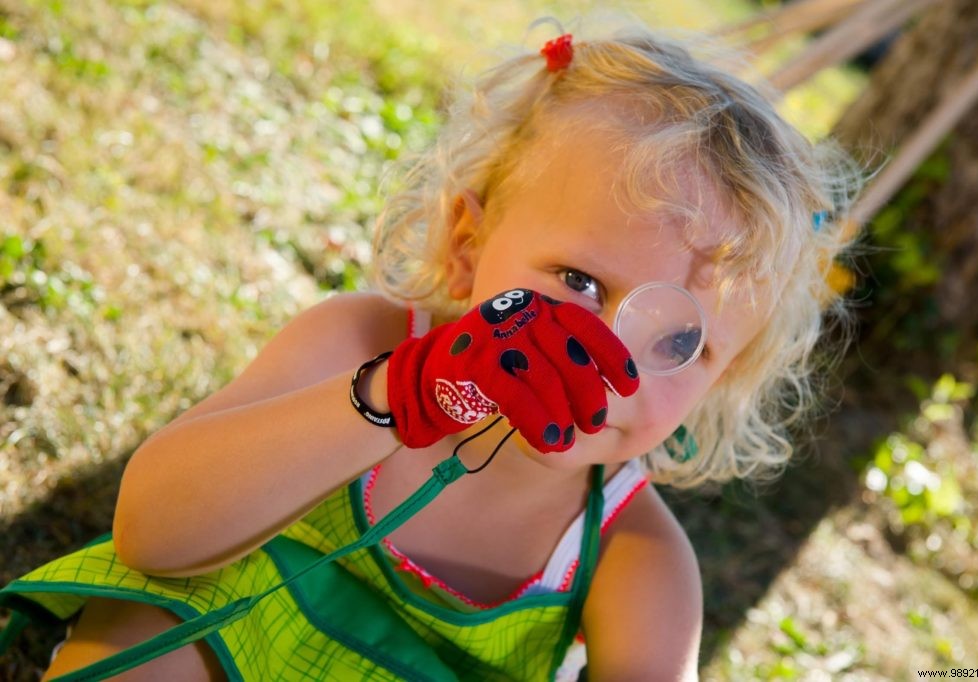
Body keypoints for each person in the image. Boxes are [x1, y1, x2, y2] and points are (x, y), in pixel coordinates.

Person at [0, 17, 858, 682]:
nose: (605, 354)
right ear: (465, 245)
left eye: (678, 340)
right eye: (580, 284)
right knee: (151, 634)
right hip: (226, 639)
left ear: (720, 382)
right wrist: (392, 397)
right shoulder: (356, 344)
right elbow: (152, 533)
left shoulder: (636, 561)